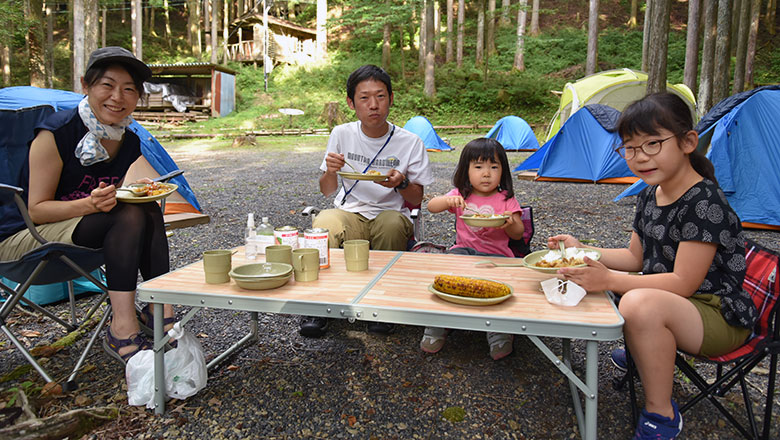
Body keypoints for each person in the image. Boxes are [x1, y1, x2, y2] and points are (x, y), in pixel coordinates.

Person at [547, 93, 757, 440]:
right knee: (631, 294)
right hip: (680, 305)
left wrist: (609, 279)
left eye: (653, 144)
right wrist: (584, 250)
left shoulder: (705, 202)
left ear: (688, 141)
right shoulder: (650, 193)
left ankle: (661, 414)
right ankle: (648, 348)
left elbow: (684, 283)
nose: (639, 157)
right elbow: (635, 259)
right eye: (629, 148)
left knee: (637, 302)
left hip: (718, 314)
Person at [0, 47, 176, 366]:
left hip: (77, 230)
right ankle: (122, 328)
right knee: (129, 213)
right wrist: (91, 204)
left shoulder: (129, 139)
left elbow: (106, 199)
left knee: (146, 207)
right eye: (107, 85)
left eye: (129, 89)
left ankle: (157, 307)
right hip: (24, 236)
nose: (117, 97)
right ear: (86, 85)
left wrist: (108, 200)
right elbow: (36, 210)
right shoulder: (56, 133)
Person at [299, 65, 434, 338]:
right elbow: (327, 191)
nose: (374, 105)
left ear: (391, 99)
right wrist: (330, 170)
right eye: (364, 98)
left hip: (389, 213)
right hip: (350, 213)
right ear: (351, 103)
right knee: (324, 221)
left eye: (380, 96)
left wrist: (402, 183)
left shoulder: (410, 142)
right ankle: (318, 304)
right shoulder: (341, 134)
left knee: (393, 224)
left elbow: (417, 198)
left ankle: (381, 305)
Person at [419, 138, 525, 360]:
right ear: (466, 171)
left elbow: (518, 233)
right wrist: (448, 202)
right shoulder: (461, 194)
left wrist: (511, 222)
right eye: (478, 167)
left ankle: (499, 333)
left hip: (498, 256)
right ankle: (437, 325)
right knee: (443, 279)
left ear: (502, 171)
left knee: (499, 293)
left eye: (494, 167)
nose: (486, 173)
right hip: (463, 251)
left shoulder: (506, 199)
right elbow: (431, 206)